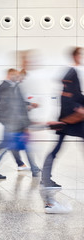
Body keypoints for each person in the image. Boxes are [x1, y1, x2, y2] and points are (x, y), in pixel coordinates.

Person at [41, 47, 84, 213]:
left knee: (57, 147)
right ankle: (45, 179)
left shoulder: (74, 72)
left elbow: (76, 95)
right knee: (57, 148)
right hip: (70, 118)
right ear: (75, 56)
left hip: (72, 118)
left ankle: (45, 179)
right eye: (80, 54)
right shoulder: (71, 72)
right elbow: (66, 95)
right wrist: (77, 109)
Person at [0, 69, 40, 179]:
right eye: (17, 76)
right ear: (10, 75)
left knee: (19, 145)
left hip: (15, 122)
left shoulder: (13, 87)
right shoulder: (6, 86)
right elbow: (12, 104)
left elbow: (17, 103)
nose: (20, 79)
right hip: (12, 122)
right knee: (7, 145)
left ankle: (33, 168)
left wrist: (29, 105)